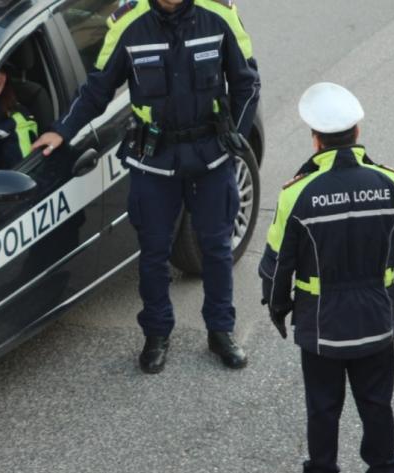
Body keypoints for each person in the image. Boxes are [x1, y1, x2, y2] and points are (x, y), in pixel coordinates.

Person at [32, 0, 260, 374]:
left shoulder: (219, 15)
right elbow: (97, 89)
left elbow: (247, 82)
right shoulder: (127, 24)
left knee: (216, 249)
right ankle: (156, 334)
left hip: (210, 157)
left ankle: (221, 331)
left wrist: (237, 134)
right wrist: (62, 130)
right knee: (154, 254)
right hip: (154, 159)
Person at [259, 82, 394, 473]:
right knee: (377, 405)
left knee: (323, 410)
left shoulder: (297, 194)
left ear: (316, 138)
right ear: (357, 131)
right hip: (376, 319)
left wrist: (277, 308)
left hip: (322, 325)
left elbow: (277, 264)